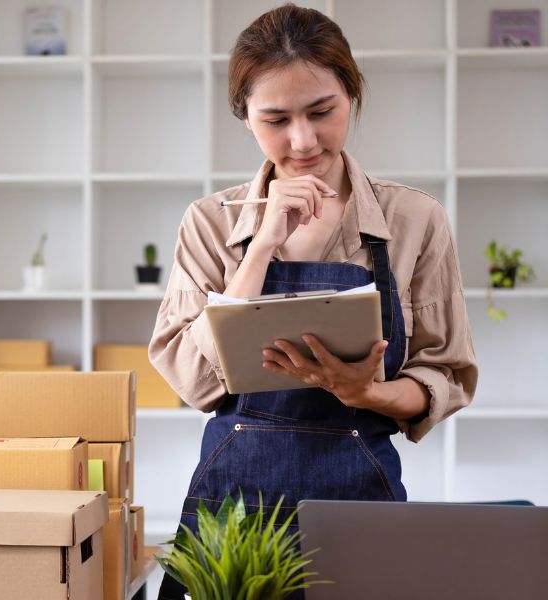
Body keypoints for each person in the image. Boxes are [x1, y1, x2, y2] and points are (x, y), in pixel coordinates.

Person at [148, 4, 478, 598]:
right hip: (235, 512)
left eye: (322, 112)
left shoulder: (415, 220)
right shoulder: (207, 224)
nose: (303, 141)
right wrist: (261, 247)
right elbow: (195, 384)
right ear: (245, 118)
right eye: (276, 119)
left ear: (352, 94)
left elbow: (445, 372)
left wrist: (367, 392)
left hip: (359, 500)